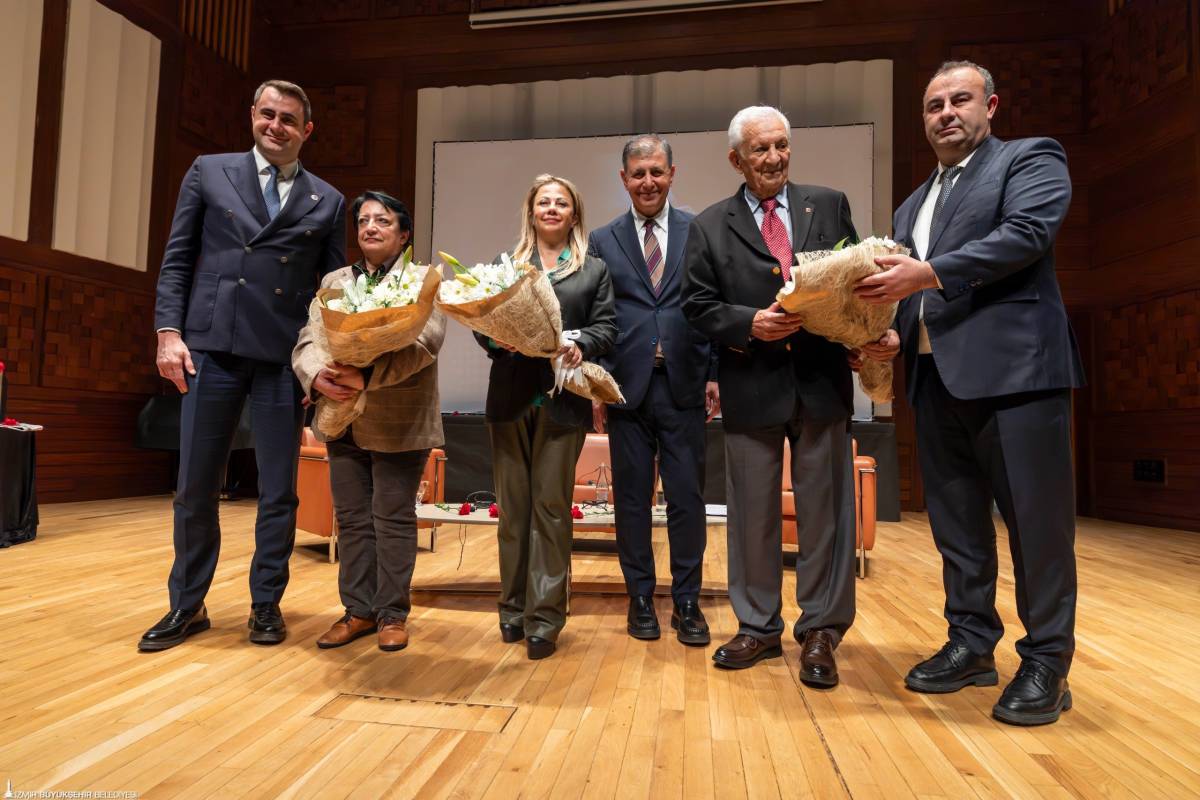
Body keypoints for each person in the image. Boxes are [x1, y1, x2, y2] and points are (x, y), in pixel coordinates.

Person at [854, 61, 1085, 725]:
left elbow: (1026, 235)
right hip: (937, 383)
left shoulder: (1029, 159)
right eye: (933, 105)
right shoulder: (910, 204)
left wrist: (923, 274)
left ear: (992, 105)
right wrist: (892, 340)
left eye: (960, 100)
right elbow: (914, 300)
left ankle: (1047, 661)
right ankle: (971, 642)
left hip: (1017, 379)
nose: (946, 113)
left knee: (1037, 529)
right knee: (957, 529)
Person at [141, 80, 346, 651]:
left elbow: (331, 292)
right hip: (211, 347)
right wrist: (168, 332)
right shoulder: (209, 170)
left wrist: (319, 362)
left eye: (288, 120)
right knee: (195, 488)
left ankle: (265, 605)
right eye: (267, 114)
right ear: (252, 114)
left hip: (281, 359)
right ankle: (187, 606)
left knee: (279, 490)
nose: (275, 126)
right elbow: (178, 257)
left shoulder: (327, 199)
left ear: (306, 131)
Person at [682, 105, 859, 688]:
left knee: (827, 516)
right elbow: (698, 306)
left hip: (820, 385)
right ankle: (757, 627)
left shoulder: (829, 204)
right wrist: (747, 324)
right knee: (752, 516)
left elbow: (858, 282)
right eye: (760, 150)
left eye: (782, 145)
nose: (774, 158)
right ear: (736, 159)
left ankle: (822, 631)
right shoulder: (708, 225)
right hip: (752, 385)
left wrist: (867, 332)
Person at [292, 192, 445, 653]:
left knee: (392, 520)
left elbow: (426, 344)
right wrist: (316, 373)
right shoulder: (336, 279)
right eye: (363, 221)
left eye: (383, 220)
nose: (370, 227)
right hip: (342, 418)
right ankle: (357, 611)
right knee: (354, 521)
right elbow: (309, 336)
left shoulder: (424, 280)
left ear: (404, 233)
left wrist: (368, 375)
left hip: (401, 419)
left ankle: (392, 615)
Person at [480, 174, 616, 660]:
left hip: (564, 403)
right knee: (512, 514)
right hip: (510, 402)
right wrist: (499, 338)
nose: (552, 209)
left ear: (574, 214)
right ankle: (511, 611)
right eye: (544, 203)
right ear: (531, 212)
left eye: (562, 203)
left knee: (552, 512)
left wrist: (582, 345)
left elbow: (607, 326)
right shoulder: (506, 265)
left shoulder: (593, 270)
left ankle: (545, 619)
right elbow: (483, 325)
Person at [588, 135, 717, 646]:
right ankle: (639, 597)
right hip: (626, 389)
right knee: (632, 502)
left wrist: (714, 375)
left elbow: (707, 306)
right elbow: (598, 314)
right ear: (624, 179)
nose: (648, 182)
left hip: (685, 385)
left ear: (672, 173)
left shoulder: (698, 231)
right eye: (638, 173)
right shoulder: (603, 238)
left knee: (688, 501)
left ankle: (687, 602)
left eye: (656, 172)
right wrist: (597, 384)